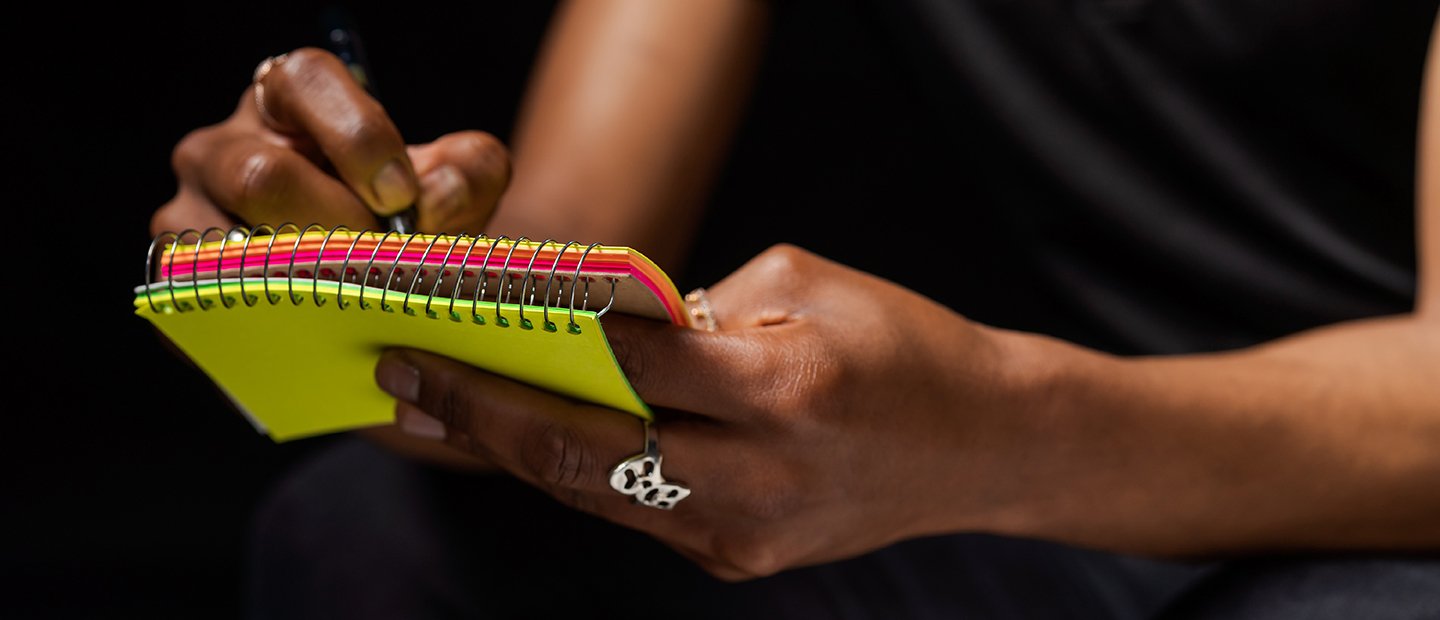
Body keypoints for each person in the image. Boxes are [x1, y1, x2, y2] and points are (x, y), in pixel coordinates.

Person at [150, 0, 1440, 617]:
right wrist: (344, 262)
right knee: (374, 537)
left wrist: (993, 432)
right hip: (943, 472)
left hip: (1343, 481)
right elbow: (568, 250)